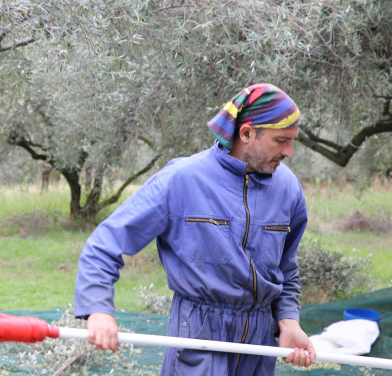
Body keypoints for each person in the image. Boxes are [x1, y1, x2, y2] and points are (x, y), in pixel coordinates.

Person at [74, 83, 317, 375]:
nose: (289, 152)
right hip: (198, 336)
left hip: (258, 346)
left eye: (292, 141)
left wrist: (288, 321)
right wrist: (98, 309)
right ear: (247, 133)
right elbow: (105, 243)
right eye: (281, 141)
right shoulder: (181, 180)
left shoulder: (288, 189)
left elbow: (286, 268)